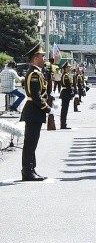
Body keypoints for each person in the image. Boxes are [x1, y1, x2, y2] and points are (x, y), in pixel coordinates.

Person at [19, 44, 51, 181]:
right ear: (35, 58)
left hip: (34, 111)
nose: (44, 59)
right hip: (33, 110)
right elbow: (36, 95)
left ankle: (31, 169)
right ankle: (27, 171)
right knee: (30, 143)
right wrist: (47, 108)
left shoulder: (37, 72)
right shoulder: (34, 73)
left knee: (32, 142)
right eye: (42, 56)